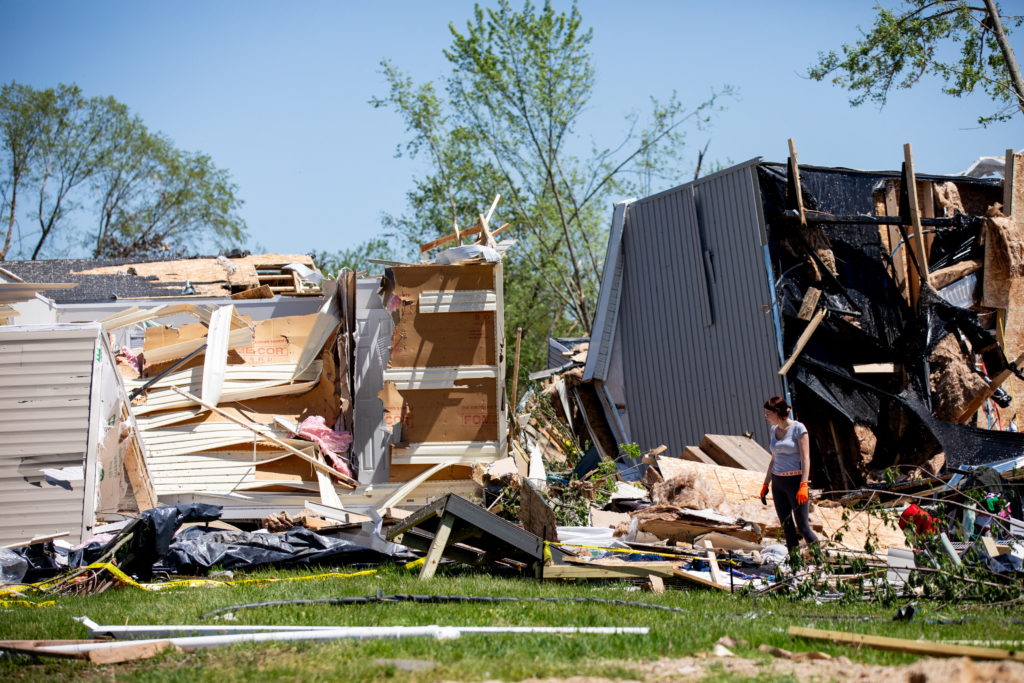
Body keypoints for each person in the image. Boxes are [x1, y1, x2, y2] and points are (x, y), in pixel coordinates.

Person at [759, 396, 819, 551]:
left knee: (803, 526)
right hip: (778, 483)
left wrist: (803, 484)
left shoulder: (798, 428)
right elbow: (773, 459)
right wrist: (766, 483)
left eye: (768, 414)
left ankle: (820, 563)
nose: (766, 417)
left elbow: (806, 458)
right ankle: (795, 565)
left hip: (795, 482)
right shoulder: (773, 430)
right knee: (787, 526)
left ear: (777, 412)